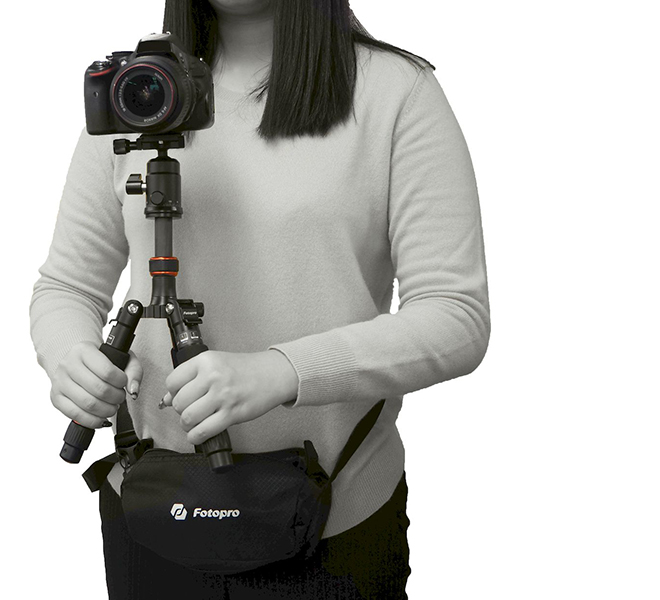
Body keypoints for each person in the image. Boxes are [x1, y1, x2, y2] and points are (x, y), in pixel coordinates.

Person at [29, 0, 490, 597]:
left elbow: (455, 316)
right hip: (152, 510)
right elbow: (67, 286)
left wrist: (281, 372)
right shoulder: (138, 89)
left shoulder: (397, 92)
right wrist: (70, 355)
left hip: (332, 521)